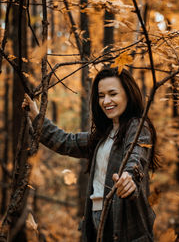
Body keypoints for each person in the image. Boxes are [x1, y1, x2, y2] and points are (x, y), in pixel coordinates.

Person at [22, 67, 157, 242]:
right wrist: (36, 116)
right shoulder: (102, 136)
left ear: (128, 94)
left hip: (122, 222)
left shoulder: (138, 126)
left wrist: (129, 177)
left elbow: (137, 155)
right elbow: (65, 142)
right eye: (101, 96)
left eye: (113, 94)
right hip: (95, 220)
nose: (106, 101)